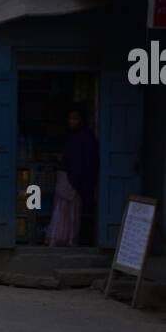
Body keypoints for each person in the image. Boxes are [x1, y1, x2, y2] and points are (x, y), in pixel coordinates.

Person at [46, 104, 100, 248]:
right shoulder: (72, 137)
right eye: (70, 118)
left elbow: (87, 161)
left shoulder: (86, 137)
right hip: (66, 178)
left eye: (75, 118)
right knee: (62, 209)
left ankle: (71, 239)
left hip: (77, 179)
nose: (72, 121)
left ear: (81, 120)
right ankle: (58, 238)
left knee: (73, 211)